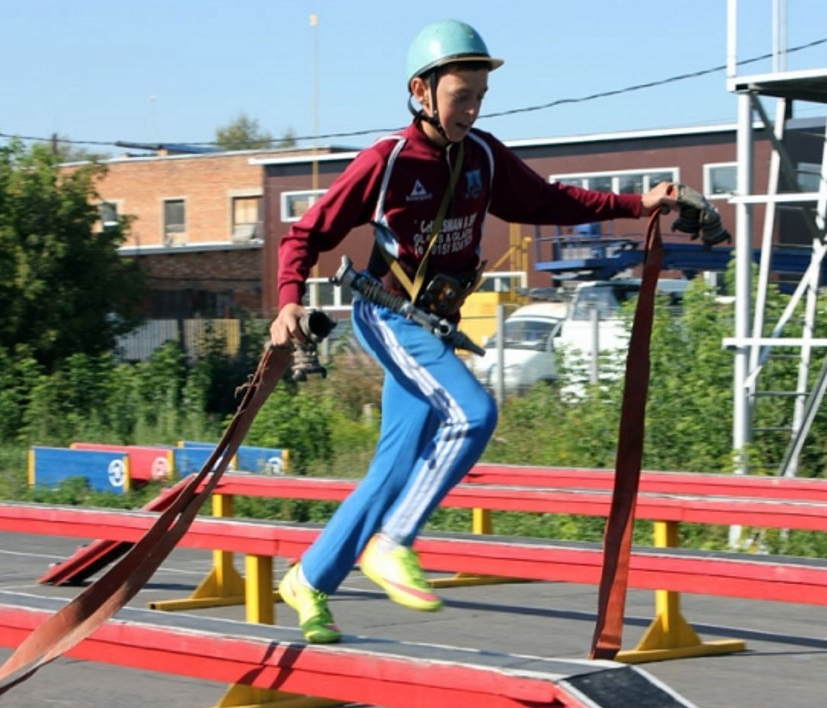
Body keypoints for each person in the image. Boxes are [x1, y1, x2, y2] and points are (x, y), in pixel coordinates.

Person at [268, 19, 675, 643]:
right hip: (388, 311)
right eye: (462, 96)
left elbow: (548, 201)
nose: (473, 108)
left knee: (395, 468)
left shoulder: (484, 155)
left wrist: (635, 204)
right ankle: (394, 541)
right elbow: (307, 233)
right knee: (473, 413)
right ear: (421, 91)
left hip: (437, 323)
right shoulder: (388, 161)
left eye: (480, 97)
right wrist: (289, 298)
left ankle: (310, 580)